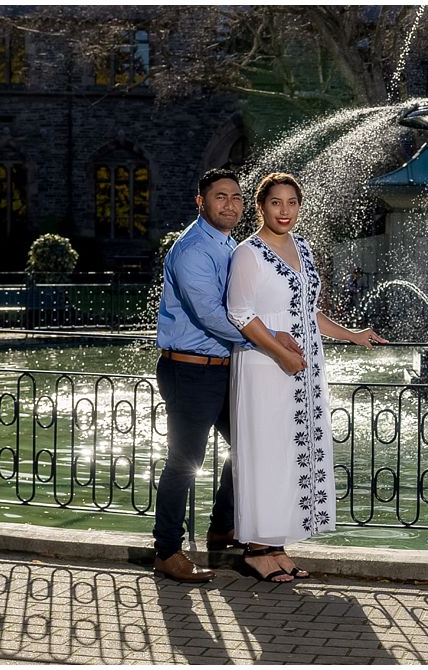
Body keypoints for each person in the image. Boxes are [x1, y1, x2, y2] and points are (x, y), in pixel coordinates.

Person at [226, 172, 387, 582]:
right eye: (276, 203)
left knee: (292, 453)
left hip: (305, 366)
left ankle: (277, 543)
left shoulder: (303, 247)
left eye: (292, 203)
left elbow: (308, 314)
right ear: (261, 206)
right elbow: (240, 314)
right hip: (264, 365)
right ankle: (256, 549)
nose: (285, 211)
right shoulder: (249, 253)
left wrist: (351, 335)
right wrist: (281, 354)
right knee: (266, 451)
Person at [153, 168, 303, 583]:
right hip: (190, 369)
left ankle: (223, 529)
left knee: (249, 449)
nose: (230, 205)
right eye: (220, 197)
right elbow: (212, 315)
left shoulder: (229, 247)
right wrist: (270, 340)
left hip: (226, 368)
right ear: (200, 202)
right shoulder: (192, 251)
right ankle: (166, 550)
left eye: (236, 197)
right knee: (184, 461)